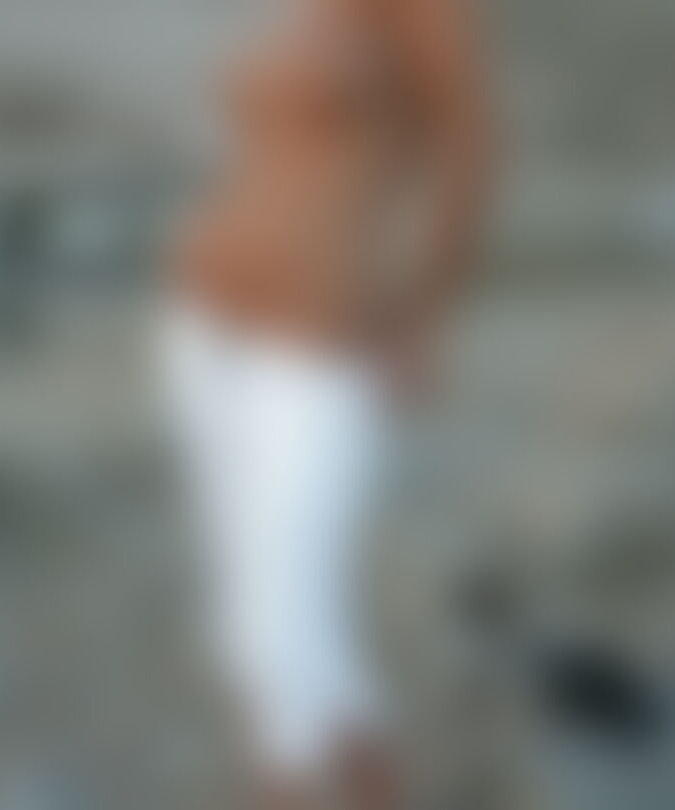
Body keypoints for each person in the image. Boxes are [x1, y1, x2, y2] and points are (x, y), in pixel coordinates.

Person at [157, 0, 491, 806]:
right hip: (206, 327)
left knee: (286, 625)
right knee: (247, 631)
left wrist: (422, 320)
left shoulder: (427, 14)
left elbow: (470, 159)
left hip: (320, 345)